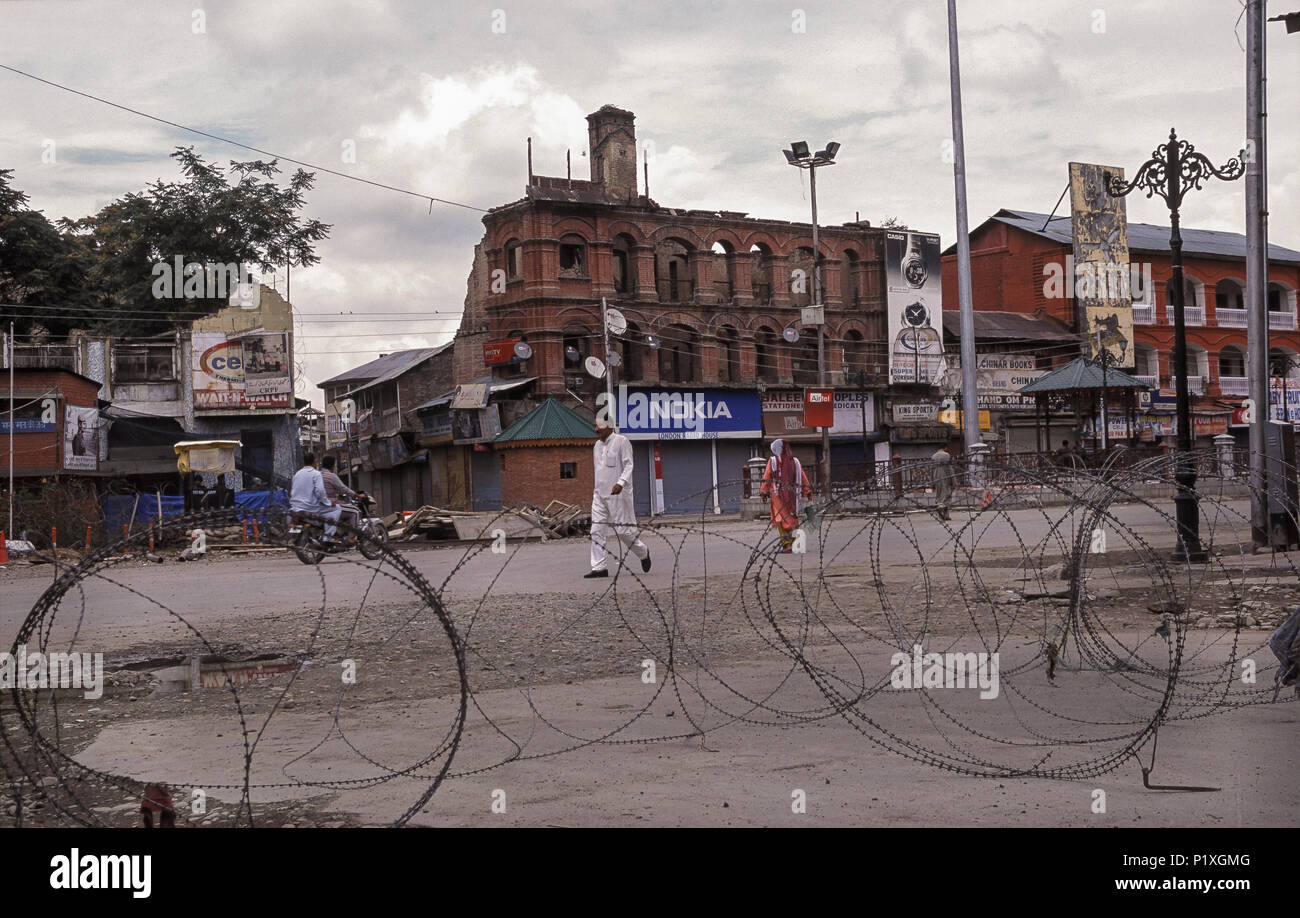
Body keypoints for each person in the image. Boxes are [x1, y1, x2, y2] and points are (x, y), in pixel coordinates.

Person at [587, 417, 650, 578]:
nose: (596, 430)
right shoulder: (597, 446)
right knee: (596, 530)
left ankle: (643, 552)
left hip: (618, 494)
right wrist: (596, 490)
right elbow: (598, 470)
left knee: (623, 532)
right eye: (595, 426)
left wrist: (621, 483)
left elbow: (629, 465)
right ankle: (599, 568)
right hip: (599, 495)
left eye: (599, 426)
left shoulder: (622, 441)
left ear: (609, 426)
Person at [761, 439, 812, 552]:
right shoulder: (795, 462)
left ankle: (787, 545)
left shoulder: (773, 461)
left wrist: (763, 491)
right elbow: (802, 477)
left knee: (781, 519)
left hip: (778, 495)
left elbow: (767, 476)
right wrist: (807, 491)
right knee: (792, 518)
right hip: (792, 495)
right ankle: (794, 544)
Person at [290, 452, 341, 539]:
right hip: (310, 507)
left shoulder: (297, 474)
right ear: (314, 462)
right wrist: (328, 503)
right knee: (337, 509)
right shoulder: (316, 474)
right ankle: (328, 537)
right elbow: (320, 491)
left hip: (295, 506)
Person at [320, 455, 360, 537]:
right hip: (330, 505)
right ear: (332, 466)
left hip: (318, 505)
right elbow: (343, 489)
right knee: (355, 511)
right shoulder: (331, 476)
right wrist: (356, 495)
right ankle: (351, 538)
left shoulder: (317, 475)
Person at [931, 443, 954, 521]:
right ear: (945, 448)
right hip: (945, 476)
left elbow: (931, 469)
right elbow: (950, 468)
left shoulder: (933, 456)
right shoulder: (946, 455)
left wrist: (932, 482)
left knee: (939, 494)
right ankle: (944, 513)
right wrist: (953, 480)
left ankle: (942, 514)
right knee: (947, 495)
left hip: (936, 477)